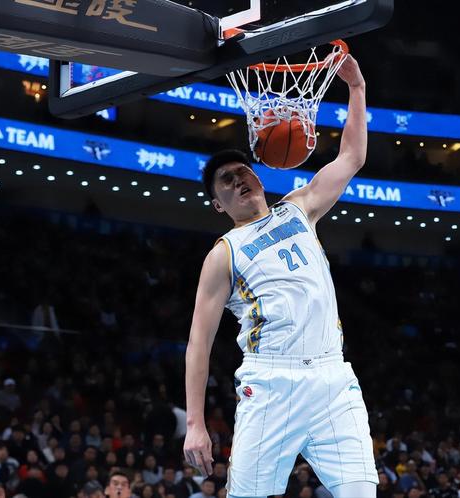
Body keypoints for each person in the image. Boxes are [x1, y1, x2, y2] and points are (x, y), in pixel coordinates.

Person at [183, 55, 377, 498]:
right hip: (272, 381)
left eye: (242, 171)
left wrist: (357, 88)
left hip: (332, 376)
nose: (239, 180)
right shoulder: (223, 253)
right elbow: (199, 342)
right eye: (226, 180)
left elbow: (352, 156)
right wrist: (195, 423)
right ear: (218, 204)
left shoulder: (300, 207)